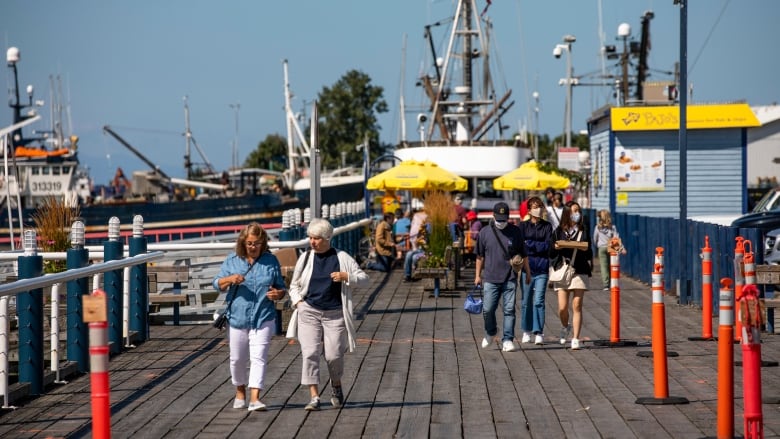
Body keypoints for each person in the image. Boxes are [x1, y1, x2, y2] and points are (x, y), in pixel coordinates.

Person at [287, 218, 369, 410]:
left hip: (334, 313)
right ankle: (314, 397)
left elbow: (365, 279)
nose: (312, 242)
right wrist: (298, 302)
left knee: (333, 355)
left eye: (316, 238)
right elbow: (294, 285)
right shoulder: (306, 257)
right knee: (310, 353)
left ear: (327, 238)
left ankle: (336, 384)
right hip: (309, 310)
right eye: (310, 238)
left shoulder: (342, 257)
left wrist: (346, 276)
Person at [212, 223, 287, 411]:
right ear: (243, 243)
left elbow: (280, 287)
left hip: (263, 316)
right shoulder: (232, 260)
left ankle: (255, 398)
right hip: (237, 318)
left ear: (263, 243)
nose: (253, 247)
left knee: (259, 357)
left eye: (257, 243)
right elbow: (216, 283)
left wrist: (278, 294)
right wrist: (230, 279)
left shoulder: (271, 261)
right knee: (237, 359)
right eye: (249, 243)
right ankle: (240, 391)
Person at [474, 202, 530, 352]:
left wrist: (527, 273)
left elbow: (524, 254)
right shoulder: (484, 232)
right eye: (499, 219)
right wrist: (477, 275)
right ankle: (491, 331)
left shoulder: (516, 231)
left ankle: (508, 339)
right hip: (490, 277)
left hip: (510, 276)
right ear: (493, 216)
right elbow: (479, 256)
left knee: (509, 309)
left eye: (504, 219)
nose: (501, 222)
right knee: (487, 309)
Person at [550, 201, 593, 350]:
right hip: (563, 270)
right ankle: (565, 326)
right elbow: (551, 252)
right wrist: (555, 248)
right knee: (562, 308)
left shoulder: (583, 231)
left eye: (579, 211)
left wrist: (583, 250)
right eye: (574, 211)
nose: (577, 214)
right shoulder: (558, 231)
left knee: (577, 304)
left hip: (579, 270)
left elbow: (589, 251)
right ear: (567, 213)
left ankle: (576, 338)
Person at [518, 196, 554, 345]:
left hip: (542, 269)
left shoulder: (547, 226)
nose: (537, 209)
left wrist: (531, 244)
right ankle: (526, 330)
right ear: (529, 210)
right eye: (534, 206)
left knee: (539, 301)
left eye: (539, 206)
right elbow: (522, 246)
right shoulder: (523, 226)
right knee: (526, 301)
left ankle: (538, 331)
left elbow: (548, 246)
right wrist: (535, 246)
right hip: (527, 269)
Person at [593, 209, 626, 290]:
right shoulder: (612, 227)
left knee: (604, 267)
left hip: (601, 248)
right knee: (611, 265)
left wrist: (597, 245)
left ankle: (606, 284)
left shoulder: (597, 227)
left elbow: (595, 238)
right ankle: (612, 282)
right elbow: (616, 238)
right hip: (611, 247)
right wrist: (622, 248)